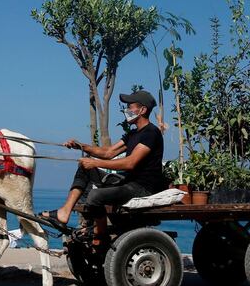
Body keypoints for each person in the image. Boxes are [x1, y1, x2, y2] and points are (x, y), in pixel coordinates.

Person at [40, 89, 166, 245]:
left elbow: (130, 162)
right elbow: (108, 152)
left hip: (141, 187)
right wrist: (81, 146)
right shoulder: (133, 134)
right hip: (128, 183)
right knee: (84, 166)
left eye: (130, 106)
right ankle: (64, 211)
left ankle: (101, 234)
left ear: (142, 110)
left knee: (95, 196)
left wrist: (96, 163)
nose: (126, 110)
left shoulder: (151, 133)